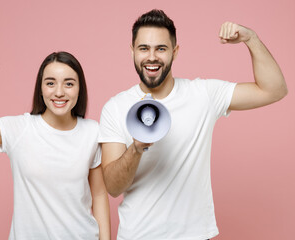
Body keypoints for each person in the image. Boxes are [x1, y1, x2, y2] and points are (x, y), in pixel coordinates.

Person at [99, 9, 287, 240]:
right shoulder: (115, 108)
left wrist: (251, 39)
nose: (152, 57)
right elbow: (113, 187)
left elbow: (274, 90)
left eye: (161, 48)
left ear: (175, 52)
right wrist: (136, 148)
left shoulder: (203, 94)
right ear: (132, 52)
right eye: (144, 48)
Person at [0, 52, 111, 240]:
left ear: (80, 89)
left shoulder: (92, 132)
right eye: (50, 83)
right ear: (40, 88)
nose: (59, 92)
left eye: (69, 83)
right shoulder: (18, 129)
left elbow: (99, 195)